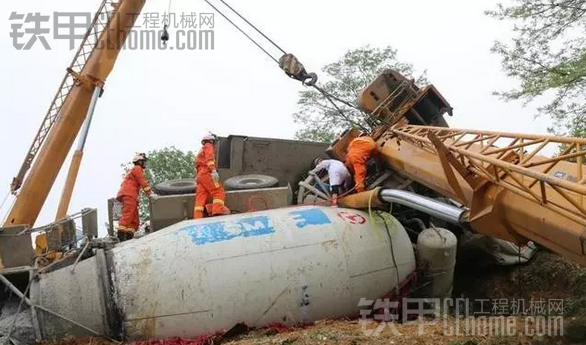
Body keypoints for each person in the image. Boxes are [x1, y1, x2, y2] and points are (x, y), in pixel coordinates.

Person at [116, 152, 156, 241]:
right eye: (144, 161)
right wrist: (150, 193)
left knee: (135, 219)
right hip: (129, 194)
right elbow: (142, 182)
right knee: (128, 213)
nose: (145, 163)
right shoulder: (137, 169)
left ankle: (129, 236)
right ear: (139, 162)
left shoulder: (136, 169)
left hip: (132, 195)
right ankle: (121, 234)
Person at [193, 133, 230, 219]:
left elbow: (198, 165)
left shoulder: (201, 150)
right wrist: (213, 170)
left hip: (200, 175)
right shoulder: (209, 146)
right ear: (211, 140)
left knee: (200, 198)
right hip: (206, 173)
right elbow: (209, 159)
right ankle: (217, 211)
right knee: (218, 191)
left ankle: (197, 218)